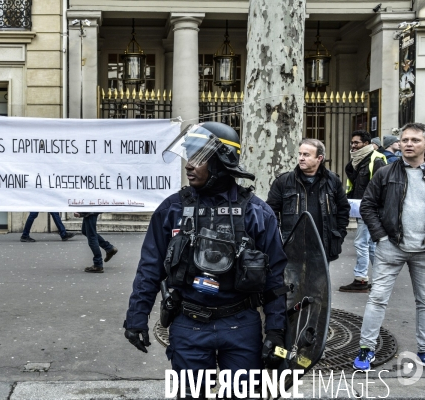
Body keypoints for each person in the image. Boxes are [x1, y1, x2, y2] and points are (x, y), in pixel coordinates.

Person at [123, 122, 287, 398]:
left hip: (241, 325)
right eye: (189, 156)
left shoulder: (257, 212)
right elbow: (150, 268)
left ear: (222, 162)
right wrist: (136, 318)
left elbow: (276, 279)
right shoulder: (172, 209)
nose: (189, 165)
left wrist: (276, 331)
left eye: (199, 157)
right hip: (188, 325)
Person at [353, 122, 425, 370]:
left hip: (423, 250)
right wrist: (381, 238)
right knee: (377, 299)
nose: (408, 144)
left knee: (424, 301)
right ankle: (366, 349)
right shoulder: (386, 173)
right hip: (391, 246)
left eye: (415, 140)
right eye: (405, 140)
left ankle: (424, 350)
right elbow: (367, 206)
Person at [266, 138, 350, 262]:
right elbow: (270, 213)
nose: (301, 158)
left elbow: (343, 210)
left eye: (306, 155)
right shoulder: (283, 181)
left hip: (322, 247)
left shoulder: (333, 181)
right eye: (300, 154)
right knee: (292, 281)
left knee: (320, 282)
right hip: (292, 248)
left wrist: (338, 236)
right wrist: (279, 240)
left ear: (319, 158)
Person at [339, 130, 386, 293]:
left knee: (361, 243)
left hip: (370, 208)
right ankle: (381, 278)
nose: (353, 145)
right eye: (352, 143)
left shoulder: (376, 159)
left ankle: (361, 279)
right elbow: (352, 185)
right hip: (361, 207)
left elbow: (381, 186)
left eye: (356, 143)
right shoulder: (355, 162)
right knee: (371, 245)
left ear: (366, 144)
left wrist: (374, 206)